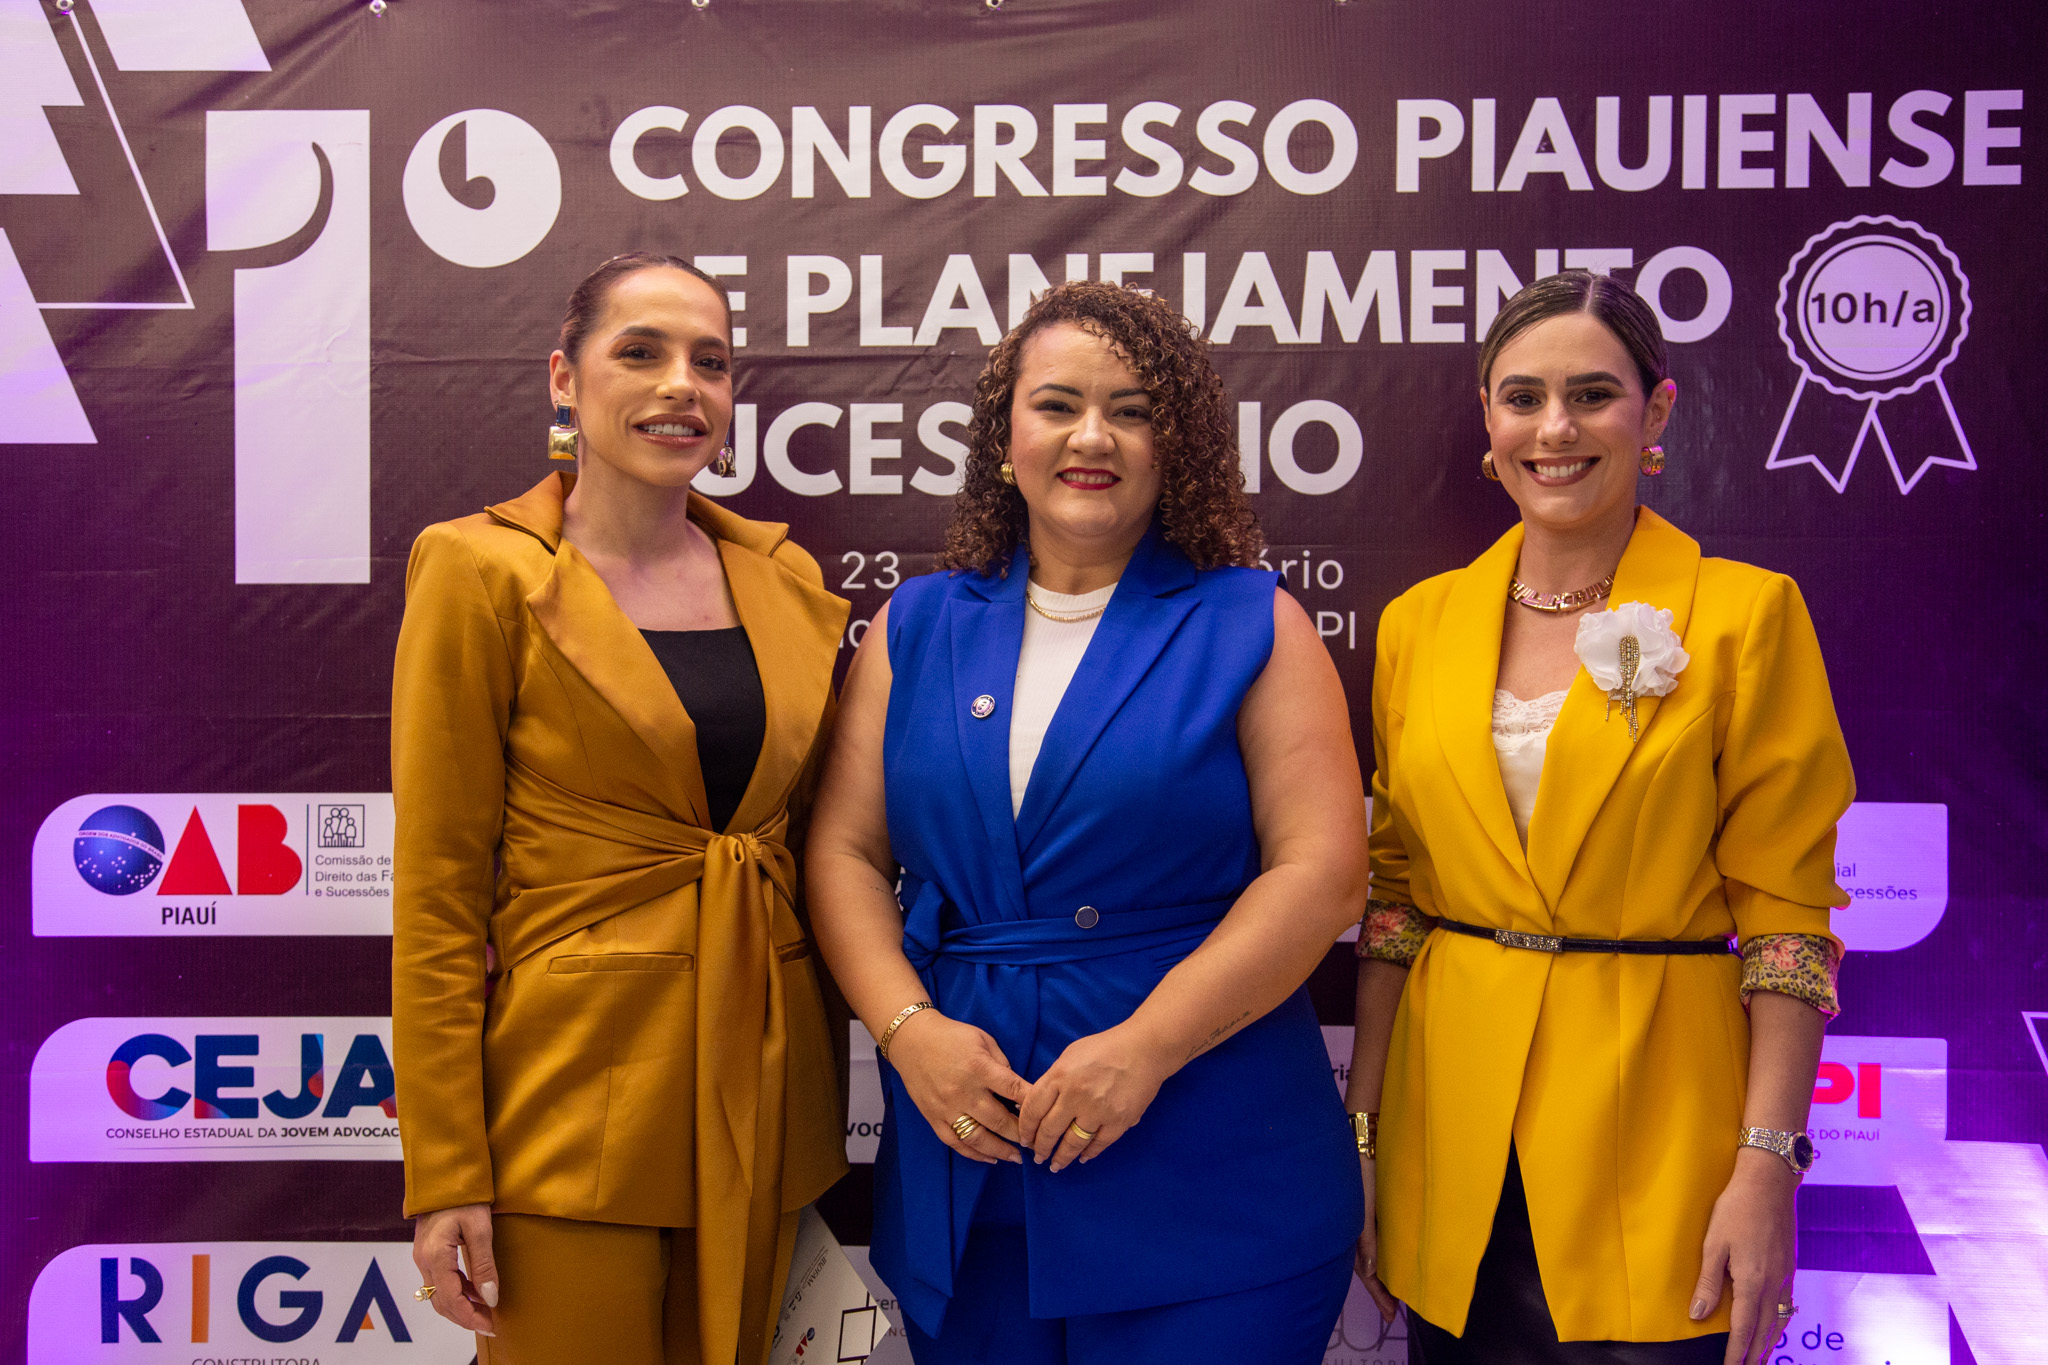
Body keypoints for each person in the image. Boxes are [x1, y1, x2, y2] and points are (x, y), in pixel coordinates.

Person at [805, 281, 1366, 1365]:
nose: (1092, 437)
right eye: (1057, 405)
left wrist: (1146, 1049)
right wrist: (907, 1032)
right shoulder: (916, 623)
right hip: (972, 1161)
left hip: (1213, 1171)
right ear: (1003, 435)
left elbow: (1323, 874)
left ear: (1177, 443)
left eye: (1133, 410)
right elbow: (842, 851)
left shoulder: (1253, 620)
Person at [1345, 270, 1851, 1365]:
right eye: (1522, 397)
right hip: (1449, 1142)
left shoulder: (1745, 616)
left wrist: (1766, 1164)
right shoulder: (1415, 625)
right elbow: (1394, 907)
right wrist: (1365, 1138)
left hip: (1663, 1143)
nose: (1554, 429)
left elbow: (1786, 927)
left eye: (1592, 394)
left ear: (1655, 411)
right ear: (1487, 420)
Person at [391, 252, 850, 1365]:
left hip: (763, 1087)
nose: (680, 384)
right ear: (565, 378)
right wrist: (446, 1169)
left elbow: (822, 848)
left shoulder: (787, 580)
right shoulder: (478, 569)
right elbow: (438, 898)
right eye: (639, 352)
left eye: (710, 361)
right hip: (568, 1104)